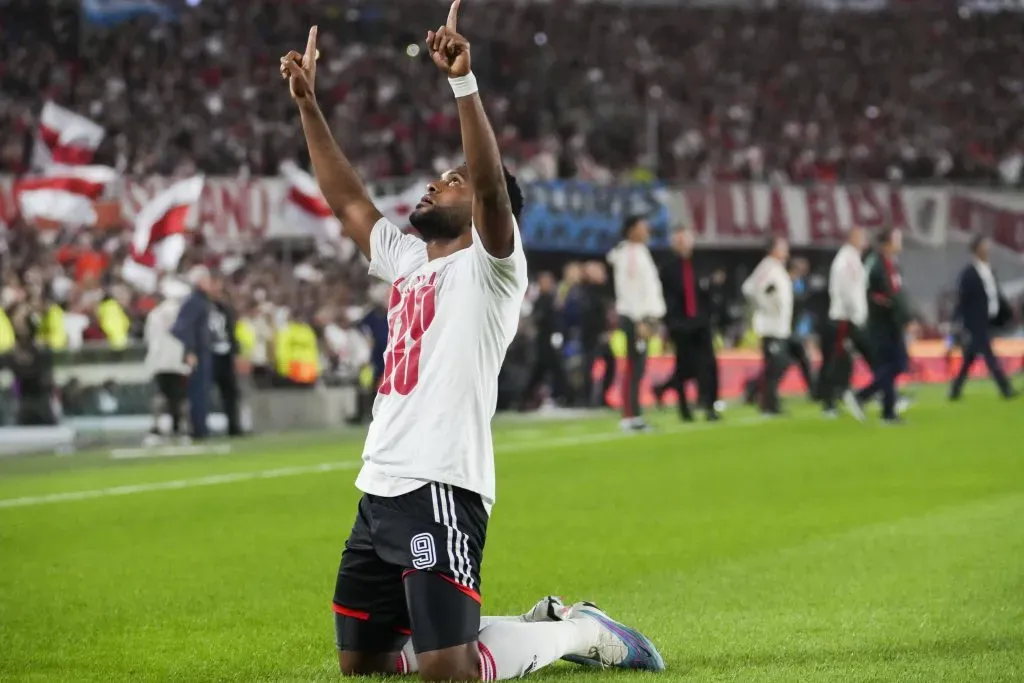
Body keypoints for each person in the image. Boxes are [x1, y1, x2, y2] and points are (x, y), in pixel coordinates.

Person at [280, 8, 664, 682]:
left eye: (450, 180)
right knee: (363, 662)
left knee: (448, 673)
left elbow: (489, 185)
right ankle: (534, 625)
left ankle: (580, 629)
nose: (436, 182)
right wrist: (311, 108)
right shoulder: (406, 260)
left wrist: (464, 85)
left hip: (442, 481)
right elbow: (346, 203)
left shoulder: (493, 265)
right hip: (380, 481)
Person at [606, 216, 666, 431]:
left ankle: (635, 415)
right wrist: (640, 319)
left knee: (639, 368)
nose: (647, 230)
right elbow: (629, 290)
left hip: (643, 318)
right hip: (636, 318)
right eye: (642, 227)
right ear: (631, 230)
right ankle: (630, 417)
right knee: (634, 368)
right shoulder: (629, 253)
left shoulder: (640, 251)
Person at [655, 228, 720, 422]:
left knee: (708, 365)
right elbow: (664, 299)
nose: (682, 244)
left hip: (701, 323)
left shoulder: (702, 265)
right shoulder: (667, 269)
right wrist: (667, 324)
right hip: (680, 324)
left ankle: (710, 406)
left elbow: (709, 295)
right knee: (683, 367)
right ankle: (684, 409)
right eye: (678, 241)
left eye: (685, 240)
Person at [854, 229, 913, 424]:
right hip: (882, 324)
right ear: (887, 243)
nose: (900, 241)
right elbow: (884, 296)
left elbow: (896, 295)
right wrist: (903, 317)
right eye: (897, 238)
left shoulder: (890, 264)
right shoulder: (878, 265)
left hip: (891, 322)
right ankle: (876, 405)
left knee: (895, 365)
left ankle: (875, 403)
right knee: (893, 364)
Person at [949, 235, 1017, 400]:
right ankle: (1005, 389)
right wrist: (957, 321)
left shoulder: (989, 271)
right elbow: (963, 299)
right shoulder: (968, 274)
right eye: (985, 245)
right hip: (975, 322)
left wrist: (1007, 313)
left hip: (990, 319)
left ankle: (955, 390)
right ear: (977, 249)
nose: (988, 248)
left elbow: (995, 295)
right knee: (989, 355)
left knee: (970, 358)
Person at [818, 227, 869, 419]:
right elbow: (847, 290)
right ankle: (830, 401)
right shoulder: (847, 260)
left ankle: (839, 396)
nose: (865, 240)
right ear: (852, 238)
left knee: (842, 360)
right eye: (861, 236)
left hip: (848, 317)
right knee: (837, 360)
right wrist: (856, 314)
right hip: (844, 318)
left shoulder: (853, 258)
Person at [741, 237, 792, 416]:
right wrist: (766, 304)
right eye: (782, 247)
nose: (786, 251)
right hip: (770, 326)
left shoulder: (777, 268)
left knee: (780, 363)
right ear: (772, 250)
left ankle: (757, 391)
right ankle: (768, 404)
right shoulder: (768, 267)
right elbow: (749, 288)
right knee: (776, 364)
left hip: (780, 326)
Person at [171, 267, 222, 440]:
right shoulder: (194, 301)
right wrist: (190, 350)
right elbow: (180, 328)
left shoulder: (200, 301)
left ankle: (202, 426)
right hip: (198, 352)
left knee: (202, 391)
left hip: (203, 351)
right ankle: (199, 429)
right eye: (207, 280)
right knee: (198, 391)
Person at [144, 279, 191, 444]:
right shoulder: (183, 314)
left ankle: (155, 427)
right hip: (178, 360)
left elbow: (148, 338)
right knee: (181, 395)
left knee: (161, 394)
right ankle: (182, 428)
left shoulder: (154, 314)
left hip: (159, 360)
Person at [524, 272, 568, 407]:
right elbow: (538, 319)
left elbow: (558, 319)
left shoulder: (553, 298)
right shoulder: (540, 300)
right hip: (543, 340)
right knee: (545, 370)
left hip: (551, 339)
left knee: (552, 370)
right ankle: (527, 397)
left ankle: (561, 396)